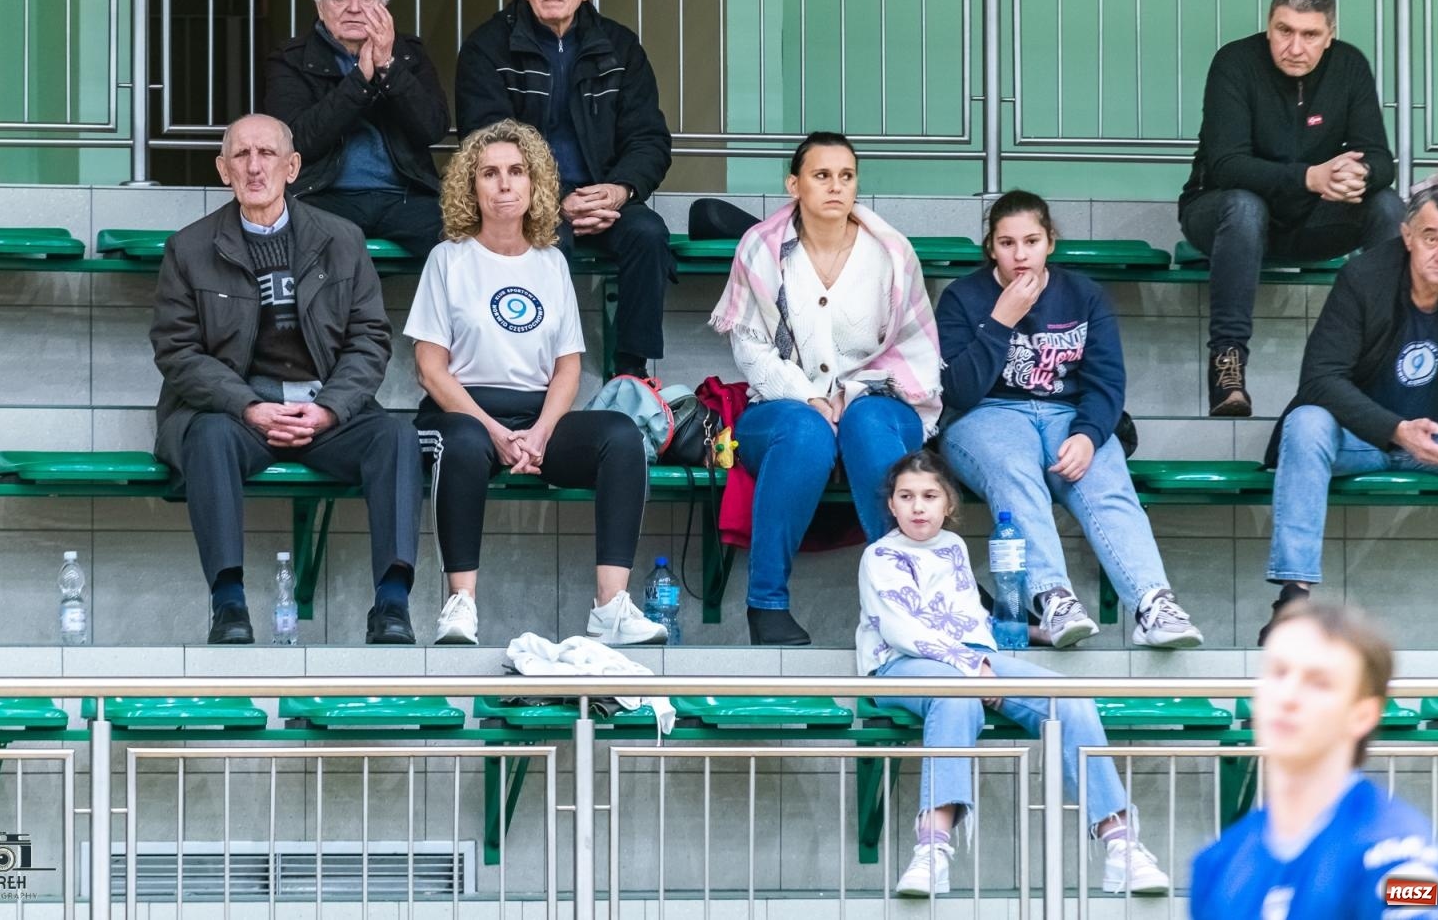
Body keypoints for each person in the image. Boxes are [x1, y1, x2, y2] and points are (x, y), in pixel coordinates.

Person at [150, 114, 423, 645]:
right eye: (242, 156)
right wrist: (248, 406)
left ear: (293, 166)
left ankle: (392, 603)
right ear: (223, 170)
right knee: (206, 436)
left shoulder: (342, 240)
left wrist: (330, 409)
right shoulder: (188, 248)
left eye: (267, 154)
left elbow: (370, 339)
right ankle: (228, 603)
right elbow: (177, 352)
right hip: (240, 415)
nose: (255, 167)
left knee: (396, 436)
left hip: (326, 412)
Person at [860, 451, 1171, 897]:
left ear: (948, 503)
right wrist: (973, 668)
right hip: (900, 662)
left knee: (1065, 696)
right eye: (905, 496)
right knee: (954, 694)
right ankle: (932, 850)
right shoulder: (880, 555)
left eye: (929, 495)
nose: (917, 506)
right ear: (891, 505)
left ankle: (1121, 844)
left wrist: (1025, 633)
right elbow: (902, 628)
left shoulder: (954, 548)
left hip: (969, 657)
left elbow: (966, 618)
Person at [404, 119, 666, 647]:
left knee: (620, 435)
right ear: (470, 187)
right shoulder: (448, 259)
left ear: (535, 184)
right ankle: (460, 605)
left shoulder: (550, 263)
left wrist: (543, 431)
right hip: (463, 412)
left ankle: (610, 607)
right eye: (490, 173)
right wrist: (495, 430)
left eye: (517, 171)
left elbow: (568, 366)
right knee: (464, 443)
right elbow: (430, 367)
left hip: (539, 416)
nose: (504, 184)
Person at [1259, 184, 1438, 642]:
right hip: (1366, 441)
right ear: (1407, 236)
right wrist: (1396, 430)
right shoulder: (1364, 276)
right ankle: (1293, 600)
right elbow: (1319, 377)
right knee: (1307, 421)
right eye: (1431, 237)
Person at [937, 190, 1203, 649]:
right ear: (990, 247)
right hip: (986, 415)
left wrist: (1088, 435)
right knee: (1014, 471)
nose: (1020, 255)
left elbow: (1106, 383)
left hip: (1067, 414)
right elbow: (957, 390)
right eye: (1006, 243)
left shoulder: (1083, 295)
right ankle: (1054, 598)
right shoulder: (963, 297)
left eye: (1031, 241)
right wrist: (1001, 320)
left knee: (1105, 478)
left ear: (1051, 242)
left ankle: (1154, 604)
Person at [709, 132, 942, 646]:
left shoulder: (891, 254)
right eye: (821, 175)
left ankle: (904, 599)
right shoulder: (762, 250)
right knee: (806, 430)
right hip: (780, 405)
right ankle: (766, 604)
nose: (836, 186)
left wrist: (852, 393)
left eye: (846, 176)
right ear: (794, 184)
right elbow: (750, 349)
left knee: (867, 421)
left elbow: (914, 353)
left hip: (881, 399)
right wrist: (808, 396)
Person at [1180, 0, 1404, 417]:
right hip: (1223, 217)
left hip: (1312, 222)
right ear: (1269, 25)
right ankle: (1228, 366)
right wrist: (1311, 178)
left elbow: (1382, 159)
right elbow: (1226, 165)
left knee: (1388, 206)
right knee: (1245, 205)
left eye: (1310, 35)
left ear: (1330, 35)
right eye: (1284, 31)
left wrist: (1357, 174)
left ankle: (1388, 359)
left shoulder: (1349, 65)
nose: (1295, 47)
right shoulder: (1235, 62)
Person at [455, 0, 673, 380]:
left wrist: (619, 189)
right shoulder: (486, 47)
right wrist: (552, 202)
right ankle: (536, 370)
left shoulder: (619, 47)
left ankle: (631, 373)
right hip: (528, 202)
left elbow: (648, 137)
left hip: (602, 196)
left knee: (648, 234)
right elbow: (486, 141)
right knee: (547, 239)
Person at [1191, 602, 1438, 917]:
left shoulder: (1401, 853)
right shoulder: (1216, 863)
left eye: (1319, 682)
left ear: (1363, 714)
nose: (1288, 696)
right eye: (1278, 672)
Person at [264, 0, 449, 259]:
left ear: (383, 5)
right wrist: (360, 81)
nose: (354, 8)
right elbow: (297, 140)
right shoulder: (290, 60)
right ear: (320, 6)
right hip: (323, 195)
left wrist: (388, 67)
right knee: (307, 245)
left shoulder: (409, 55)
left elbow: (433, 128)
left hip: (405, 196)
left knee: (462, 241)